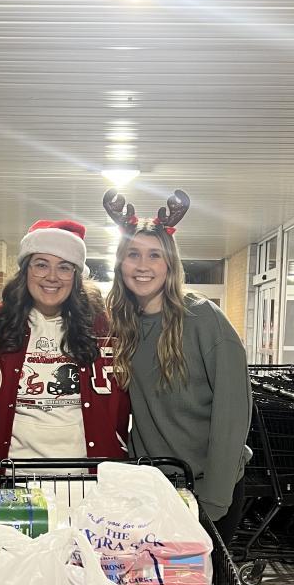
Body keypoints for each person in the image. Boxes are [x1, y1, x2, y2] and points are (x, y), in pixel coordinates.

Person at [104, 190, 251, 546]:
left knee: (201, 582)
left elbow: (233, 413)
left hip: (205, 490)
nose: (143, 265)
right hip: (151, 489)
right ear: (120, 265)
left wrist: (213, 501)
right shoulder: (123, 324)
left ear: (170, 264)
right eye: (133, 255)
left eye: (154, 255)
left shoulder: (202, 319)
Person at [0, 218, 129, 461]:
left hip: (86, 475)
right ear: (26, 270)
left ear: (76, 276)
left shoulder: (103, 328)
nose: (52, 276)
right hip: (9, 474)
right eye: (41, 265)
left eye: (64, 267)